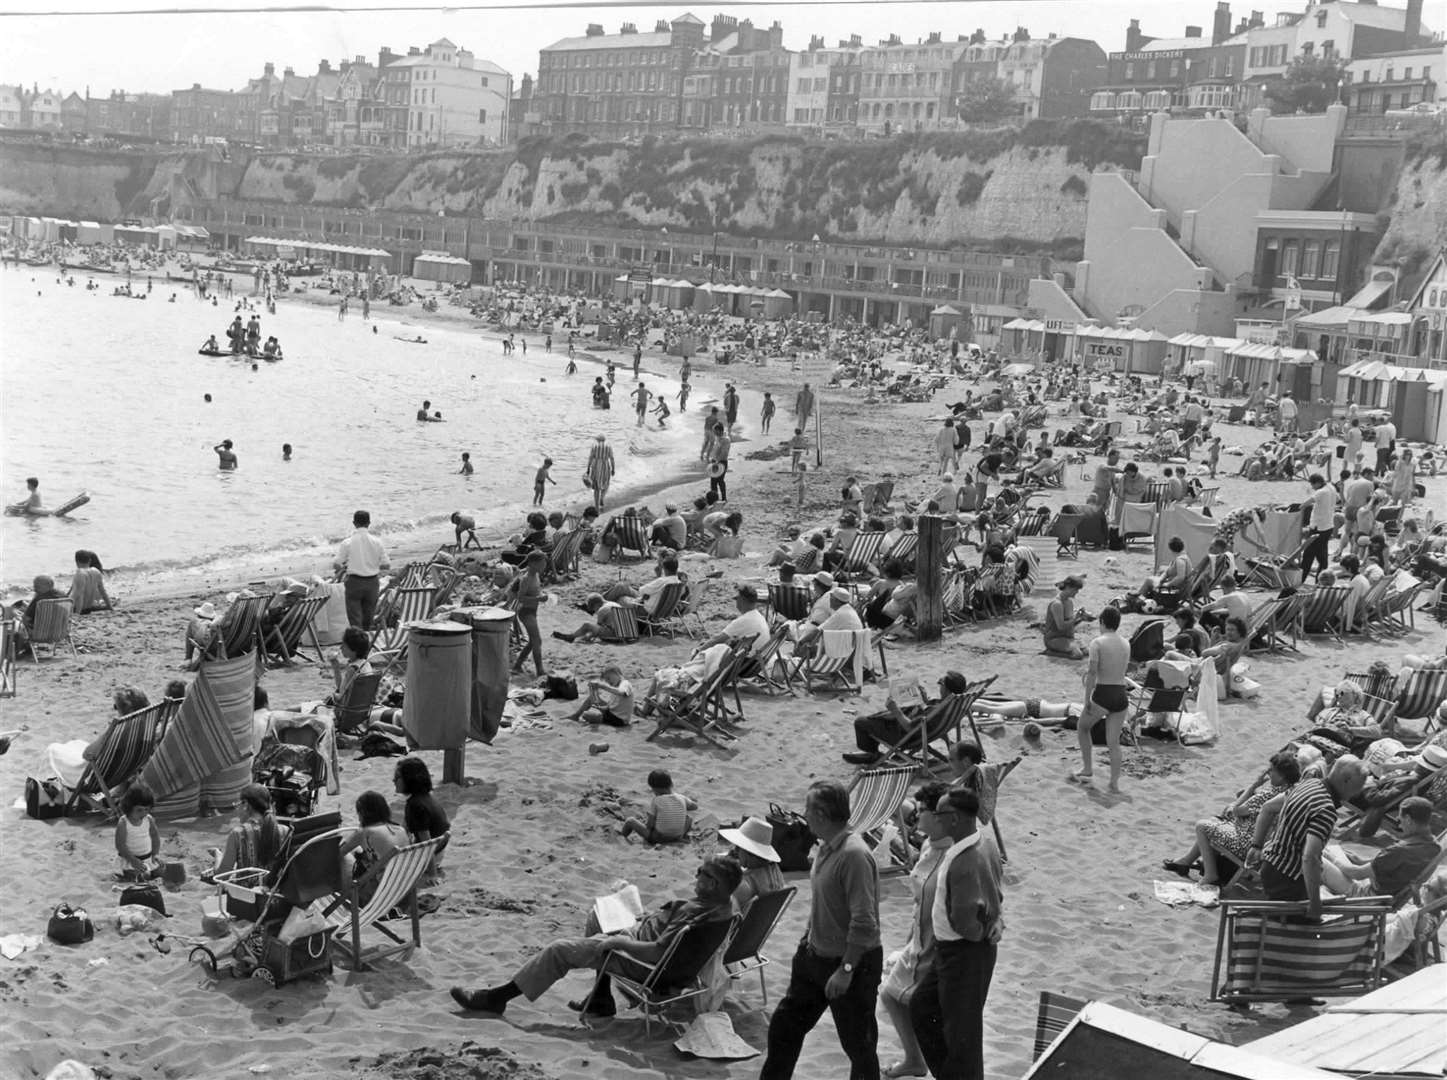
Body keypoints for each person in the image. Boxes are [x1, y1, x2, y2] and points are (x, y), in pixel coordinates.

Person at [449, 855, 741, 1017]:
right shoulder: (727, 907)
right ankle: (601, 999)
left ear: (714, 884)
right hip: (657, 952)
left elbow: (656, 953)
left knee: (559, 950)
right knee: (598, 915)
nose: (696, 876)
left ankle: (496, 998)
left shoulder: (695, 914)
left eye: (701, 872)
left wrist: (617, 942)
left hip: (644, 964)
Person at [760, 779, 881, 1079]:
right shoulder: (827, 847)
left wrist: (847, 969)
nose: (804, 815)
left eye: (808, 810)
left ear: (823, 815)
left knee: (858, 1045)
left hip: (849, 965)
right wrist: (807, 941)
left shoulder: (854, 855)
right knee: (785, 1027)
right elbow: (825, 903)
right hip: (814, 958)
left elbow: (864, 921)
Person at [909, 788, 1004, 1080]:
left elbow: (964, 922)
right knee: (922, 1008)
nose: (935, 817)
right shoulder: (983, 843)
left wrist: (982, 933)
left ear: (954, 819)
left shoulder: (965, 860)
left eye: (939, 813)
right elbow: (996, 892)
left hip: (963, 952)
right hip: (950, 950)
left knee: (962, 1033)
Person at [878, 780, 951, 1080]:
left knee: (926, 1011)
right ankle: (914, 1060)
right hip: (920, 940)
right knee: (891, 994)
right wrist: (907, 944)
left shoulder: (951, 856)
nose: (915, 817)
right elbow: (917, 906)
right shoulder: (926, 846)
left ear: (938, 816)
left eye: (921, 811)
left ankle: (929, 1065)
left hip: (939, 945)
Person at [1250, 756, 1368, 919]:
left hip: (1271, 862)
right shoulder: (1326, 809)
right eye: (1358, 788)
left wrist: (1256, 845)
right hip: (1287, 876)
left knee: (1280, 920)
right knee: (1293, 927)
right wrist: (1314, 901)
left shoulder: (1308, 784)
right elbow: (1310, 857)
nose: (1357, 794)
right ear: (1347, 780)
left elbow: (1268, 808)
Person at [1164, 750, 1302, 885]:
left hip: (1245, 845)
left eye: (1272, 770)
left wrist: (1254, 784)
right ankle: (1186, 861)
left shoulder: (1269, 794)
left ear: (1282, 776)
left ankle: (1211, 874)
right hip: (1259, 843)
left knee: (1201, 826)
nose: (1268, 773)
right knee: (1214, 822)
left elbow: (1236, 810)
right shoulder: (1287, 792)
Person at [1321, 797, 1438, 904]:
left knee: (1315, 857)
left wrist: (1332, 858)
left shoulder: (1399, 851)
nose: (1399, 823)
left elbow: (1356, 873)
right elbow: (1387, 864)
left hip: (1366, 897)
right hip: (1385, 891)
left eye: (1400, 819)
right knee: (1334, 850)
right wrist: (1360, 860)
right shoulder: (1434, 846)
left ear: (1408, 819)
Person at [845, 671, 969, 766]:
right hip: (920, 732)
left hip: (905, 737)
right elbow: (928, 716)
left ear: (946, 689)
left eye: (941, 683)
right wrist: (924, 701)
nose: (939, 685)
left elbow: (910, 728)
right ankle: (873, 752)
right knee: (883, 715)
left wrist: (896, 711)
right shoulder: (951, 704)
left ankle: (872, 754)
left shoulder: (939, 709)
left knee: (861, 722)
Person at [1072, 606, 1130, 793]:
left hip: (1104, 693)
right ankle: (1114, 782)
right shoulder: (1126, 643)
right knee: (1113, 742)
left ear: (1102, 622)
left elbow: (1092, 673)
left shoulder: (1097, 643)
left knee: (1083, 727)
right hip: (1121, 694)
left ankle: (1088, 768)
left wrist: (1087, 698)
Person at [205, 783, 291, 882]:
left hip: (245, 895)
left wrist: (218, 855)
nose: (237, 810)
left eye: (237, 805)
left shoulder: (237, 834)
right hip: (274, 893)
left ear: (245, 804)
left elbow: (221, 877)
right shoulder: (285, 830)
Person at [338, 791, 409, 903]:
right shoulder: (400, 829)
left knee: (344, 858)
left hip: (381, 895)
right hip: (405, 890)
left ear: (363, 813)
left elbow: (338, 853)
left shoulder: (365, 832)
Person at [394, 756, 451, 884]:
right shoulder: (424, 798)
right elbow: (406, 828)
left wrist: (432, 875)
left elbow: (427, 843)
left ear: (409, 780)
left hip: (427, 858)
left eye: (397, 777)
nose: (394, 780)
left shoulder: (415, 806)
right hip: (438, 851)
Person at [334, 509, 390, 631]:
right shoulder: (377, 542)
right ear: (369, 523)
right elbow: (386, 565)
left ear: (354, 523)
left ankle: (357, 643)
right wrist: (373, 567)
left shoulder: (347, 542)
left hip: (354, 582)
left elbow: (336, 564)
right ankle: (365, 641)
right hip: (372, 582)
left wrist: (345, 568)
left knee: (355, 618)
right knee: (368, 618)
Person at [949, 739, 1020, 828]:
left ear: (966, 762)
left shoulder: (968, 785)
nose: (949, 764)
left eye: (951, 760)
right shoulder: (981, 776)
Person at [720, 816, 785, 910]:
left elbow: (726, 910)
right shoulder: (775, 870)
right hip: (764, 919)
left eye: (738, 847)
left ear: (750, 852)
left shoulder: (745, 884)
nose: (735, 850)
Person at [620, 768, 698, 844]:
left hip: (659, 838)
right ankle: (681, 837)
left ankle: (621, 837)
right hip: (677, 835)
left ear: (654, 789)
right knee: (689, 818)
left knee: (630, 821)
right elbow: (695, 807)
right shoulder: (682, 797)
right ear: (671, 784)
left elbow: (650, 825)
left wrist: (648, 826)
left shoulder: (656, 800)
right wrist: (683, 804)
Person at [507, 550, 548, 678]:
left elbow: (535, 591)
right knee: (537, 640)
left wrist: (542, 596)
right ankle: (540, 670)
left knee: (533, 641)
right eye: (542, 564)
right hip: (525, 612)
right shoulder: (526, 578)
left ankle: (517, 666)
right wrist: (538, 599)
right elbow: (520, 598)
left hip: (532, 611)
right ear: (533, 564)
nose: (544, 566)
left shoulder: (535, 575)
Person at [115, 783, 161, 881]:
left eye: (146, 809)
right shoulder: (124, 822)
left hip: (147, 858)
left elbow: (155, 836)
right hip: (130, 860)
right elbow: (120, 845)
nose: (144, 813)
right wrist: (133, 860)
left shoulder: (149, 819)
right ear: (129, 807)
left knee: (161, 870)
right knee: (137, 876)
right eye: (139, 810)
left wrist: (155, 854)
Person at [569, 665, 636, 727]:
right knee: (591, 699)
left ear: (616, 673)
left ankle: (588, 717)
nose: (608, 682)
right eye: (606, 681)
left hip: (619, 720)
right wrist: (601, 707)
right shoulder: (616, 686)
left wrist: (603, 686)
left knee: (586, 715)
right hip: (612, 714)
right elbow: (612, 706)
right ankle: (576, 716)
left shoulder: (625, 684)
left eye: (609, 678)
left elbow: (621, 692)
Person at [1301, 473, 1336, 582]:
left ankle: (1301, 578)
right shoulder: (1331, 487)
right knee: (1322, 554)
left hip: (1318, 527)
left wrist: (1299, 509)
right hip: (1328, 525)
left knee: (1308, 554)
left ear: (1318, 483)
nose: (1312, 487)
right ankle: (1320, 579)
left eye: (1313, 484)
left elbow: (1305, 504)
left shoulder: (1321, 492)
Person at [1042, 574, 1088, 658]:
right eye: (1075, 589)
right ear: (1068, 587)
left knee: (1086, 652)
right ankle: (1051, 652)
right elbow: (1061, 626)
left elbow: (1070, 624)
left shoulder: (1069, 602)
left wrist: (1082, 618)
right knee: (1078, 655)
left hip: (1067, 638)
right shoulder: (1057, 604)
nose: (1077, 592)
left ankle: (1067, 649)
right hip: (1054, 639)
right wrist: (1076, 617)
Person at [69, 549, 112, 613]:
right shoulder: (96, 571)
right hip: (88, 608)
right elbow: (103, 592)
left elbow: (78, 594)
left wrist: (77, 612)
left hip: (79, 609)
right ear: (89, 561)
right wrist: (109, 606)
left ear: (77, 562)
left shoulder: (80, 573)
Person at [586, 434, 614, 511]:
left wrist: (588, 468)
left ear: (597, 440)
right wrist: (613, 469)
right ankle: (602, 497)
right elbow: (611, 458)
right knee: (606, 484)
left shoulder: (594, 446)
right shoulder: (608, 447)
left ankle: (596, 506)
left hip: (595, 467)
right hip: (605, 466)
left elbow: (590, 457)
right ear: (604, 440)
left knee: (596, 487)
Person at [709, 423, 731, 502]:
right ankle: (715, 499)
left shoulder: (725, 440)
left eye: (715, 431)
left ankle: (723, 498)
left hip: (721, 462)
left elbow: (724, 452)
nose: (714, 432)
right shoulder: (718, 438)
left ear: (719, 430)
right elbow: (715, 449)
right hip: (715, 461)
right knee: (713, 481)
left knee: (719, 480)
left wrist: (717, 462)